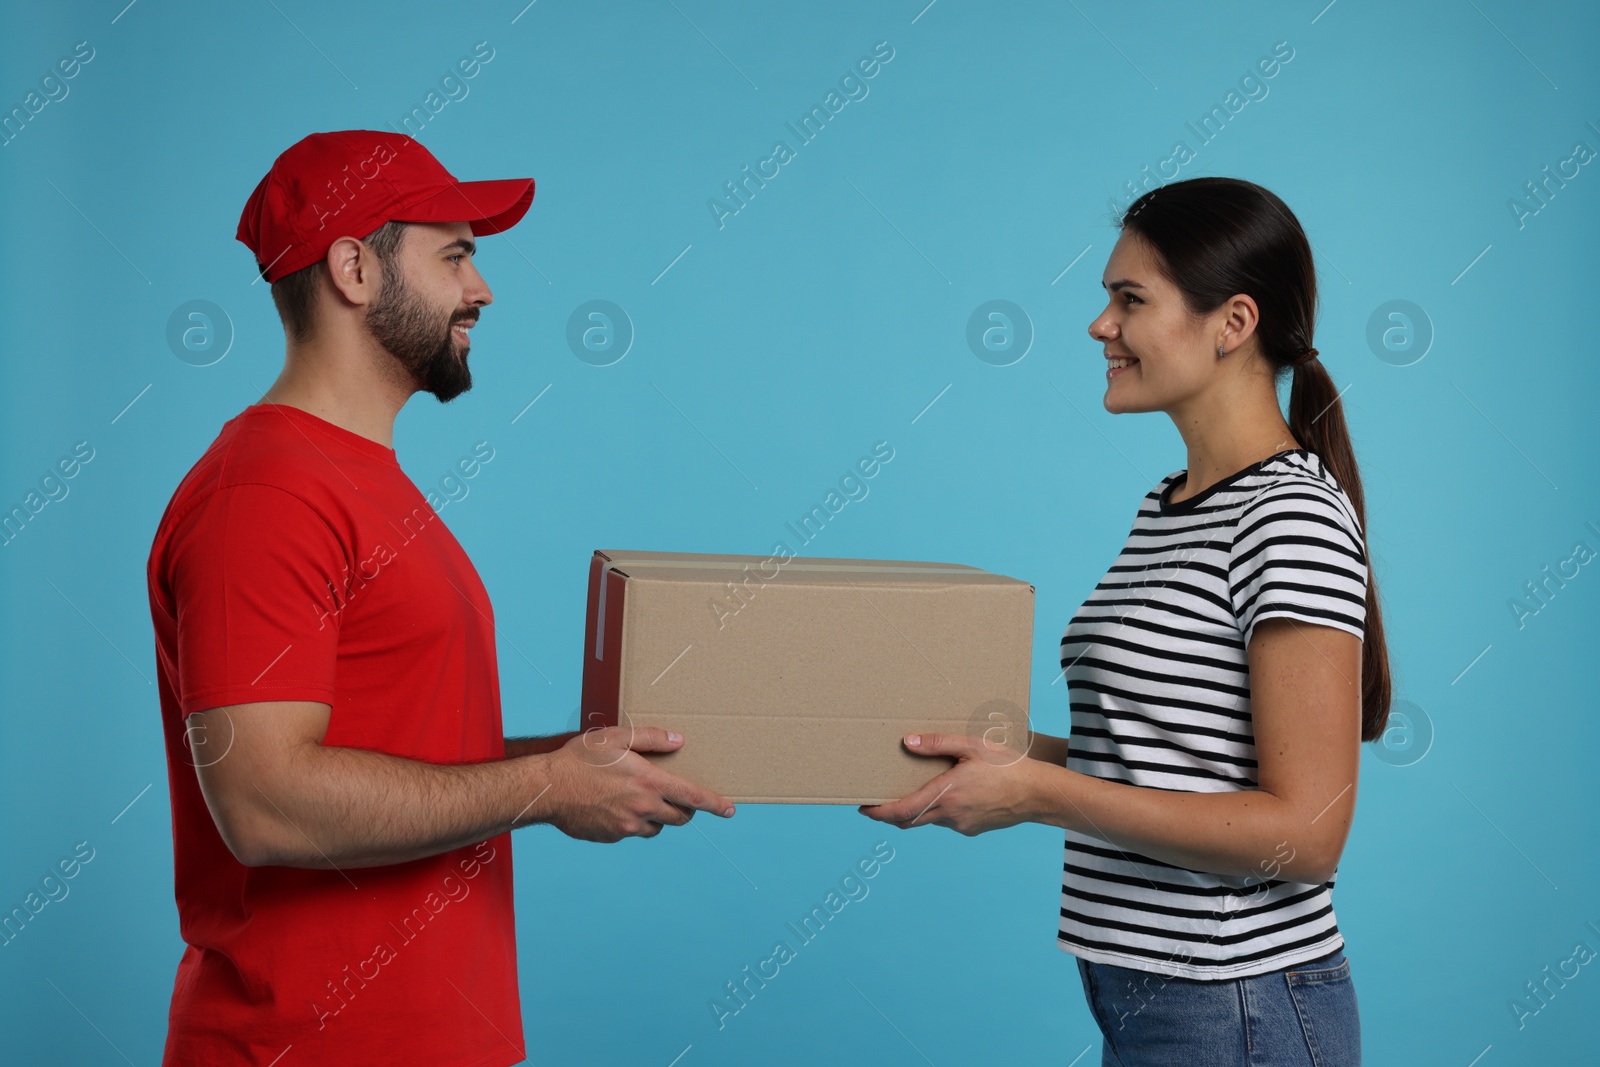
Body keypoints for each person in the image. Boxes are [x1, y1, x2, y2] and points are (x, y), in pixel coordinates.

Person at [145, 129, 735, 1067]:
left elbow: (404, 756)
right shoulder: (264, 494)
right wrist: (549, 786)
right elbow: (264, 802)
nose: (483, 289)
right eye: (455, 254)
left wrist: (581, 760)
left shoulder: (361, 480)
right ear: (353, 270)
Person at [861, 176, 1391, 1066]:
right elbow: (1166, 764)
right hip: (1154, 1000)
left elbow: (1305, 833)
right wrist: (1006, 754)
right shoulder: (1169, 506)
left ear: (1234, 322)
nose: (1099, 325)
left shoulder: (1287, 517)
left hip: (1237, 1005)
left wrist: (1036, 794)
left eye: (1129, 299)